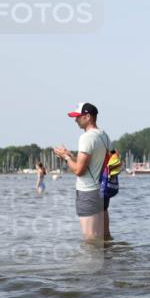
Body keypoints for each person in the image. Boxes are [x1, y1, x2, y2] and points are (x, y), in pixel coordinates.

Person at [53, 103, 111, 241]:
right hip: (102, 190)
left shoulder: (86, 138)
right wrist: (71, 156)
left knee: (90, 239)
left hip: (88, 192)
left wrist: (65, 157)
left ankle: (91, 263)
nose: (75, 120)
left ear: (88, 117)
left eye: (78, 117)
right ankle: (109, 262)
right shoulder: (104, 135)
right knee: (105, 236)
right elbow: (93, 163)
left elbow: (79, 170)